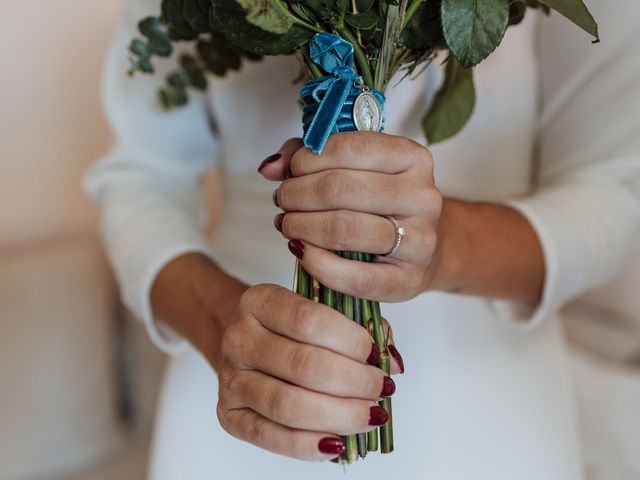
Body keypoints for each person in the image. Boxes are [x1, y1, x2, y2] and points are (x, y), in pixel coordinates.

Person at [84, 0, 640, 478]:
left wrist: (446, 245)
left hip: (489, 414)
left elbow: (616, 192)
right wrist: (219, 323)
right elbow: (141, 179)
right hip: (251, 390)